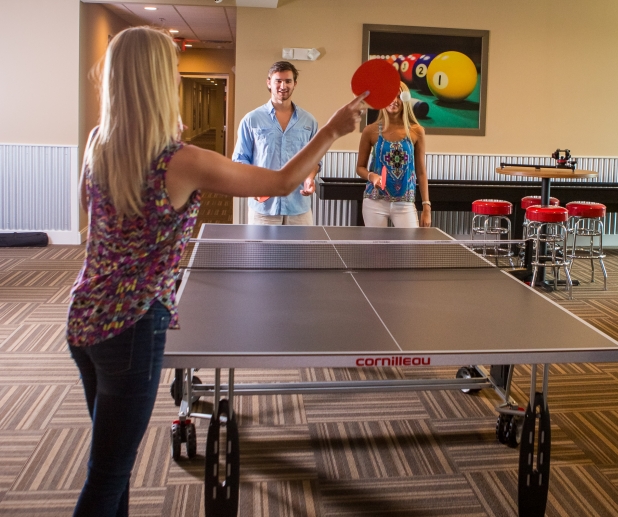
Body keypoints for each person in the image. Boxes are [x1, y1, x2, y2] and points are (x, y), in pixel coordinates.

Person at [66, 26, 366, 517]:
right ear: (161, 80)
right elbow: (281, 180)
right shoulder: (180, 161)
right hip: (132, 327)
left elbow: (90, 211)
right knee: (107, 475)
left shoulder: (99, 143)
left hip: (83, 319)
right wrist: (332, 129)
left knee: (111, 464)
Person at [233, 61, 320, 225]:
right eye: (278, 81)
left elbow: (313, 160)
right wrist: (252, 185)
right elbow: (240, 159)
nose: (283, 85)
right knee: (260, 252)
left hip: (298, 208)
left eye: (288, 81)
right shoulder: (251, 120)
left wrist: (309, 178)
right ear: (269, 83)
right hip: (264, 209)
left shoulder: (309, 121)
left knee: (301, 252)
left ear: (295, 83)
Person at [355, 82, 431, 227]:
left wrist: (426, 206)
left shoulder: (417, 131)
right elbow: (360, 167)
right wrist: (372, 176)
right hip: (374, 201)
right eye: (390, 96)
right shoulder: (370, 131)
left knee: (409, 249)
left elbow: (421, 172)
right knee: (376, 250)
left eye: (399, 96)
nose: (394, 101)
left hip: (405, 204)